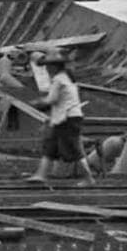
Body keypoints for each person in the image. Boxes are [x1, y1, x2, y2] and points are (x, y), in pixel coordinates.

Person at [25, 50, 95, 186]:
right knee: (50, 147)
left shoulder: (58, 79)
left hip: (67, 119)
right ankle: (40, 175)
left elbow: (52, 99)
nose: (47, 68)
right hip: (65, 118)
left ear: (54, 66)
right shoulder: (67, 77)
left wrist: (37, 103)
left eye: (48, 66)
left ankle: (88, 178)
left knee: (74, 150)